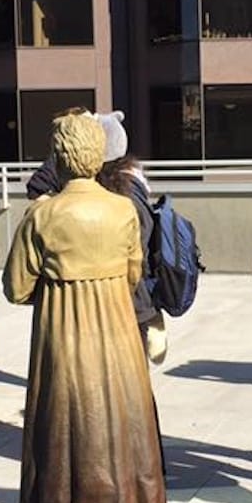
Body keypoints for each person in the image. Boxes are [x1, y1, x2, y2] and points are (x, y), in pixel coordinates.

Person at [2, 111, 178, 503]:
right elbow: (132, 275)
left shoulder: (41, 215)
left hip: (63, 352)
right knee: (128, 453)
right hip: (119, 352)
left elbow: (16, 288)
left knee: (60, 457)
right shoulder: (122, 211)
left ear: (59, 156)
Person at [92, 112, 168, 364]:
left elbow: (135, 251)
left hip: (126, 295)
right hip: (138, 295)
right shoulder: (133, 183)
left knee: (126, 366)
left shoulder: (116, 195)